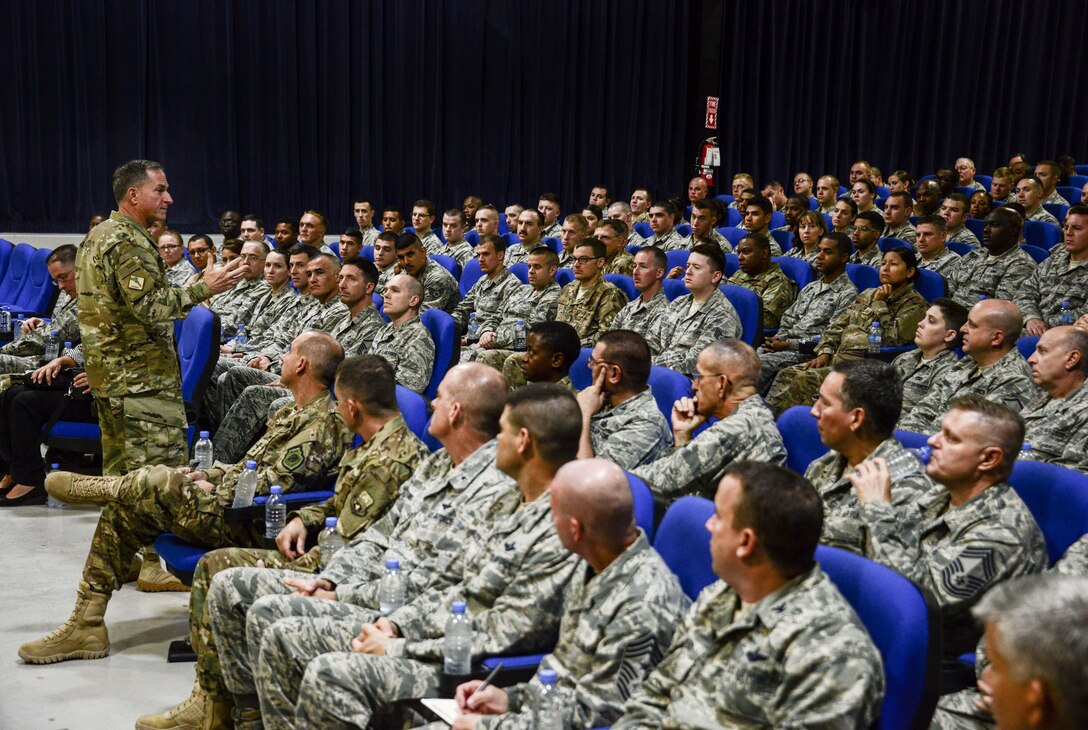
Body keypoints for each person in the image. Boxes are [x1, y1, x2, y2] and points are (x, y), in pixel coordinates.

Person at [156, 364, 511, 727]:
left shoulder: (496, 491)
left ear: (455, 413)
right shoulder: (438, 466)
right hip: (368, 586)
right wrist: (330, 581)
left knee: (272, 621)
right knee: (230, 586)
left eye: (440, 397)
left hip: (405, 617)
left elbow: (439, 586)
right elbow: (377, 538)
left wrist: (345, 594)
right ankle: (244, 715)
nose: (430, 403)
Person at [224, 385, 584, 728]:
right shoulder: (509, 503)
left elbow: (506, 629)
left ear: (522, 442)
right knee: (283, 633)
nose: (494, 443)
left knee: (327, 673)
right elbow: (447, 583)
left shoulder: (559, 528)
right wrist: (397, 624)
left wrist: (398, 644)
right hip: (421, 629)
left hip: (467, 668)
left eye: (502, 432)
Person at [19, 331, 352, 665]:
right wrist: (208, 475)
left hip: (255, 523)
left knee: (162, 481)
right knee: (127, 509)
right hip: (234, 505)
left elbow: (275, 484)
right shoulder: (292, 412)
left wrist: (214, 488)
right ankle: (86, 625)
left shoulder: (324, 423)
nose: (283, 357)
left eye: (290, 352)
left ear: (303, 364)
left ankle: (110, 487)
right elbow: (248, 467)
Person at [613, 461, 885, 728]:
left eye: (718, 516)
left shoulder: (832, 656)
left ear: (746, 543)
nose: (708, 525)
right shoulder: (722, 594)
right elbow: (654, 696)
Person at [437, 458, 690, 730]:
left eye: (553, 512)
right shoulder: (595, 563)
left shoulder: (642, 605)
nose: (548, 519)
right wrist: (508, 698)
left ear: (574, 530)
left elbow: (603, 714)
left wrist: (489, 726)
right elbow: (564, 674)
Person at [850, 396, 1048, 666]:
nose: (932, 441)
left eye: (951, 438)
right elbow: (895, 553)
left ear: (988, 459)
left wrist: (876, 509)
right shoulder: (943, 493)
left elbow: (914, 602)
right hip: (889, 634)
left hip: (933, 664)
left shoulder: (1001, 534)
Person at [76, 160, 244, 478]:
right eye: (160, 190)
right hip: (142, 385)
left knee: (122, 484)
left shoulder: (98, 235)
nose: (169, 199)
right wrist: (203, 289)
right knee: (157, 485)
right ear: (133, 194)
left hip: (112, 377)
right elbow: (149, 307)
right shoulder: (128, 242)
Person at [767, 247, 928, 415]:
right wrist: (825, 351)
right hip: (836, 358)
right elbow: (838, 325)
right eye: (883, 263)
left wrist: (880, 305)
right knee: (786, 374)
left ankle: (803, 428)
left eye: (893, 264)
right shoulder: (868, 293)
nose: (885, 268)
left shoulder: (915, 305)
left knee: (804, 381)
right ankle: (774, 423)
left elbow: (893, 339)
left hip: (866, 366)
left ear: (909, 272)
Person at [805, 360, 936, 553]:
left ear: (856, 418)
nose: (814, 411)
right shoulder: (827, 462)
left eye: (825, 403)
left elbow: (886, 571)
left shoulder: (907, 490)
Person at [633, 339, 786, 501]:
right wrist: (682, 436)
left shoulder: (735, 429)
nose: (694, 386)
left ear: (721, 384)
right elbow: (682, 480)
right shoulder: (758, 413)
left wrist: (608, 474)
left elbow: (659, 481)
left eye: (699, 377)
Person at [900, 299, 1038, 434]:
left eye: (972, 325)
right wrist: (900, 438)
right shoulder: (966, 363)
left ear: (996, 338)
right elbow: (925, 409)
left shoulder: (1015, 382)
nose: (962, 329)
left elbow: (970, 436)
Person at [758, 233, 858, 392]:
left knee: (757, 366)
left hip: (808, 353)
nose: (819, 256)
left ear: (844, 257)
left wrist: (787, 345)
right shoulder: (811, 288)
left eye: (827, 252)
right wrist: (778, 340)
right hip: (784, 346)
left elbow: (831, 336)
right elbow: (788, 319)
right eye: (819, 250)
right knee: (745, 359)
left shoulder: (848, 294)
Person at [576, 330, 673, 469]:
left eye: (593, 361)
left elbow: (586, 479)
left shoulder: (645, 426)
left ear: (614, 374)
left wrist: (583, 415)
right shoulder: (601, 397)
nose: (589, 366)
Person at [647, 243, 741, 375]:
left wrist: (645, 364)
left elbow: (698, 362)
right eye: (688, 266)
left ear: (715, 276)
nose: (688, 272)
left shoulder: (722, 315)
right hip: (654, 371)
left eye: (696, 267)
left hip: (687, 382)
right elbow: (651, 341)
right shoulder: (678, 303)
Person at [470, 246, 562, 372]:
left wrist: (493, 340)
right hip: (493, 342)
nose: (531, 271)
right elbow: (497, 315)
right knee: (458, 351)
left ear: (552, 270)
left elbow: (532, 331)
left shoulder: (553, 296)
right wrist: (486, 331)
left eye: (537, 267)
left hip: (518, 349)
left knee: (480, 356)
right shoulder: (521, 289)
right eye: (529, 266)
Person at [0, 245, 80, 374]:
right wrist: (44, 324)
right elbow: (58, 329)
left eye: (63, 277)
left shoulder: (87, 300)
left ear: (80, 269)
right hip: (48, 355)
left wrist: (4, 349)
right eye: (56, 280)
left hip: (59, 364)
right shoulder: (70, 291)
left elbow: (47, 339)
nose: (60, 286)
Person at [1018, 326, 1088, 472]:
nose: (1031, 359)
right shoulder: (1045, 396)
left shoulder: (1083, 412)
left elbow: (1072, 479)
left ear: (1071, 359)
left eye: (1042, 351)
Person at [945, 207, 1038, 308]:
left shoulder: (1021, 265)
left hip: (977, 319)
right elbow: (949, 288)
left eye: (994, 225)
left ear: (1013, 230)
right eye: (986, 225)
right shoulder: (975, 254)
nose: (986, 230)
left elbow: (999, 308)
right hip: (951, 313)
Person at [1018, 204, 1088, 335]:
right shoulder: (1055, 258)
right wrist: (1031, 318)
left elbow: (1084, 316)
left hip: (1062, 337)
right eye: (1066, 227)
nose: (1068, 233)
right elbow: (1025, 291)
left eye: (1077, 228)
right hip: (1029, 326)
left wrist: (1042, 324)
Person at [894, 298, 968, 413]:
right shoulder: (905, 357)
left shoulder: (949, 371)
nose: (920, 323)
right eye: (924, 318)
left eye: (931, 321)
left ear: (949, 335)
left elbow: (926, 416)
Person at [554, 239, 627, 347]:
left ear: (600, 262)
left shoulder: (609, 294)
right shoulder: (568, 288)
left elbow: (607, 336)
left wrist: (570, 345)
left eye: (583, 259)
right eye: (574, 259)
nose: (576, 264)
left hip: (582, 353)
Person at [453, 234, 521, 344]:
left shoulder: (512, 284)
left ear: (500, 255)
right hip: (469, 337)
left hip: (488, 341)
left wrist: (468, 340)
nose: (480, 259)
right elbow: (463, 308)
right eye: (478, 255)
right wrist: (451, 329)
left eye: (486, 254)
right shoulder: (482, 281)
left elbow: (501, 319)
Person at [727, 234, 797, 329]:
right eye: (738, 253)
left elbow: (765, 321)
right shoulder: (740, 273)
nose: (740, 257)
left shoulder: (778, 283)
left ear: (764, 253)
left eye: (746, 252)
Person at [206, 239, 271, 332]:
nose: (245, 262)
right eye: (243, 256)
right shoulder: (240, 280)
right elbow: (213, 307)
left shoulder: (265, 287)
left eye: (253, 258)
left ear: (266, 262)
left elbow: (234, 325)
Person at [609, 246, 668, 339]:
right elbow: (610, 338)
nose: (635, 272)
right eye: (634, 266)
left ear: (659, 273)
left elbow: (649, 351)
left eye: (643, 267)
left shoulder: (665, 311)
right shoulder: (630, 306)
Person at [503, 320, 581, 390]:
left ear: (557, 360)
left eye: (532, 352)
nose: (524, 358)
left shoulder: (565, 402)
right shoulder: (542, 390)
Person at [394, 232, 461, 314]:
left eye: (410, 255)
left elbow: (424, 318)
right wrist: (397, 278)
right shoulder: (407, 271)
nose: (406, 262)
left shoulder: (438, 279)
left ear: (423, 252)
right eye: (401, 257)